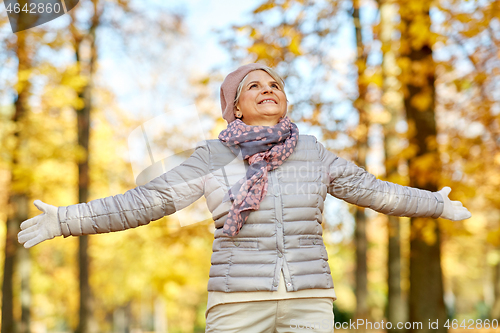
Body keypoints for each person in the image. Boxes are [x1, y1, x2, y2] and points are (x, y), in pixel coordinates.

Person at [18, 63, 471, 333]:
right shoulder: (212, 157)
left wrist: (436, 203)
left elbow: (375, 192)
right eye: (254, 86)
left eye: (274, 84)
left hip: (308, 299)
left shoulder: (313, 152)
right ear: (236, 106)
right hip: (237, 302)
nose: (267, 89)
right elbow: (147, 201)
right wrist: (65, 220)